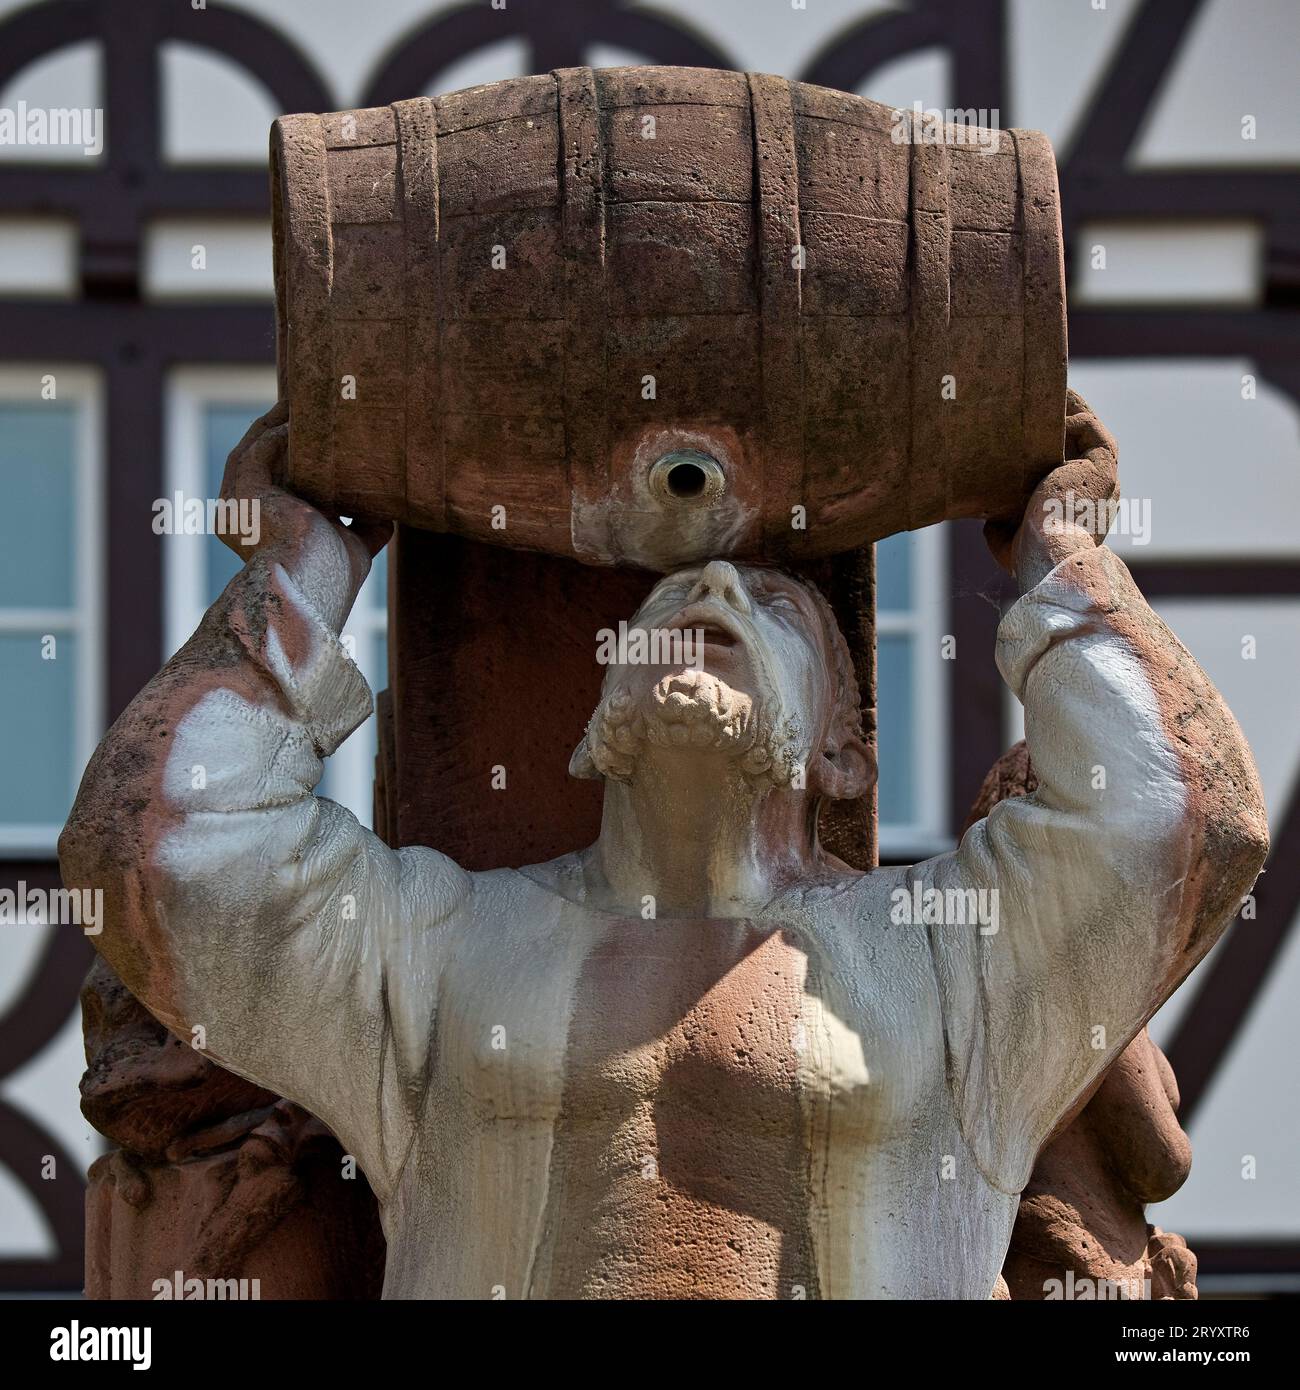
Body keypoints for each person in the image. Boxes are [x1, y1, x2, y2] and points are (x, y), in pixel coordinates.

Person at [60, 394, 1267, 1299]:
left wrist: (1059, 562)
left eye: (774, 611)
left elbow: (1179, 820)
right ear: (597, 727)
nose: (715, 603)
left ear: (839, 753)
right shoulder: (437, 945)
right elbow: (166, 856)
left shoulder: (948, 961)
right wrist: (304, 568)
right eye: (662, 614)